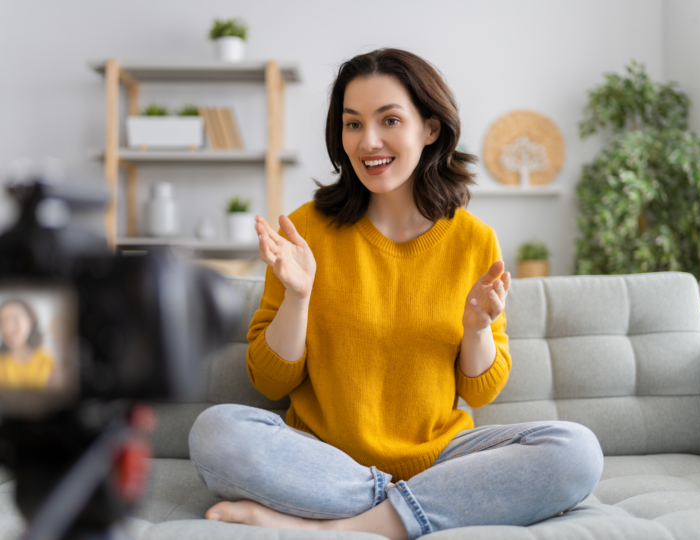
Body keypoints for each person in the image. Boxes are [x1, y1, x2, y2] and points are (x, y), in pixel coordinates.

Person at [188, 48, 604, 540]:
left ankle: (339, 526)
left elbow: (481, 390)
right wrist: (299, 297)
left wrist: (476, 329)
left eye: (389, 120)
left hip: (439, 460)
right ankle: (410, 513)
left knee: (576, 450)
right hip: (324, 456)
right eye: (353, 124)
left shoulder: (474, 239)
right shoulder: (303, 230)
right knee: (214, 432)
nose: (369, 142)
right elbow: (270, 381)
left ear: (430, 129)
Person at [0, 299, 54, 389]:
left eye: (15, 318)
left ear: (30, 322)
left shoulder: (48, 362)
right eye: (3, 320)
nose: (8, 327)